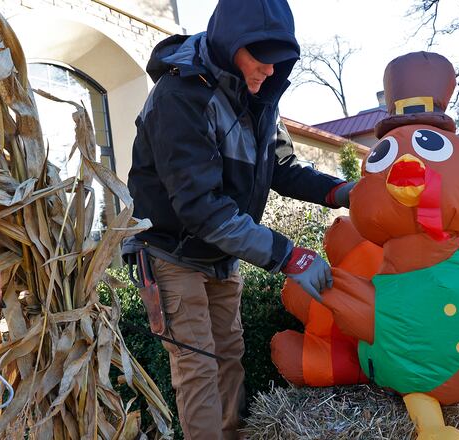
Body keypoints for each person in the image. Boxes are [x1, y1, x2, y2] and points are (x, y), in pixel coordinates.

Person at [124, 0, 355, 437]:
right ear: (231, 45)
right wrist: (289, 257)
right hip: (170, 248)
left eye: (278, 60)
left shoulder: (260, 94)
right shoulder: (181, 93)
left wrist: (340, 191)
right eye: (260, 56)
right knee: (197, 364)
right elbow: (199, 207)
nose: (269, 70)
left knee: (230, 355)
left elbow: (280, 166)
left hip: (222, 250)